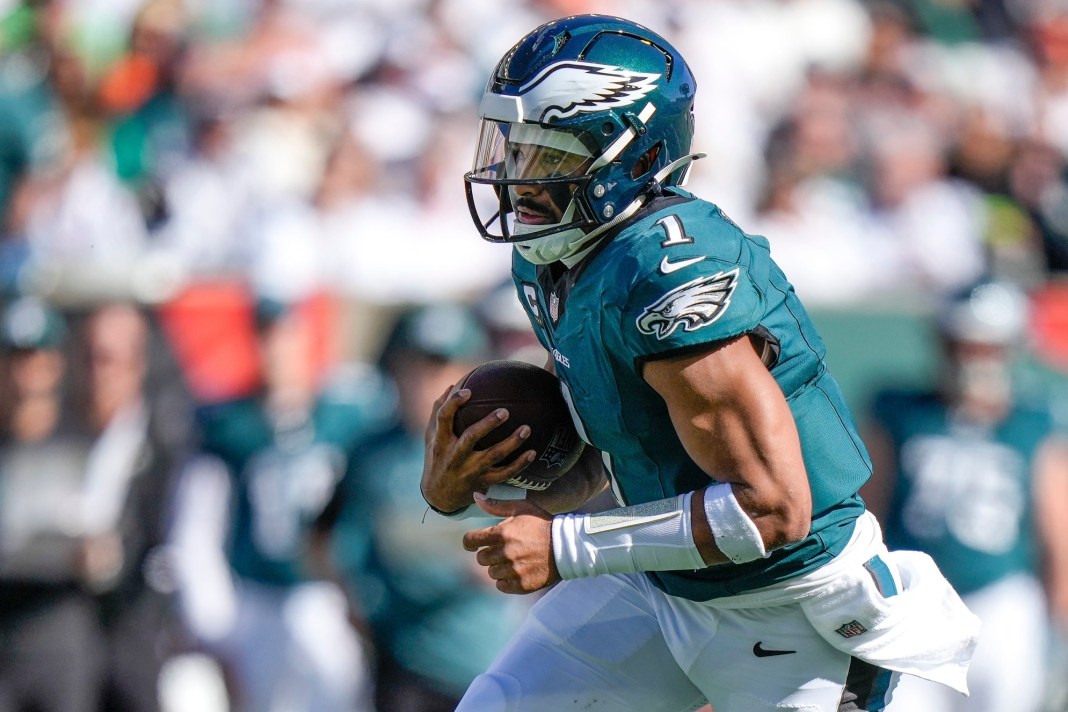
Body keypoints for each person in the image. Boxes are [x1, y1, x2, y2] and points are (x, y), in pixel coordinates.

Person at [419, 14, 981, 712]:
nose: (517, 178)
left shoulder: (668, 273)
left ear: (625, 157)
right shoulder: (557, 260)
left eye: (548, 156)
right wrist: (497, 495)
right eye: (513, 147)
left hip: (795, 610)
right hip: (663, 584)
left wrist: (566, 546)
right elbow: (629, 444)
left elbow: (773, 509)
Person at [862, 279, 1068, 712]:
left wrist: (1058, 624)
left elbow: (1056, 529)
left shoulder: (1032, 420)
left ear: (1009, 349)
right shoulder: (900, 410)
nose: (972, 359)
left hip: (1003, 602)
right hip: (914, 600)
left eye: (986, 347)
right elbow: (867, 514)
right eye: (962, 345)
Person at [325, 302, 531, 712]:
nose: (427, 384)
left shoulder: (500, 455)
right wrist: (353, 601)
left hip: (480, 656)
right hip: (400, 662)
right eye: (416, 368)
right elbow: (329, 538)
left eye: (441, 368)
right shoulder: (370, 453)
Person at [193, 297, 386, 712]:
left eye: (286, 337)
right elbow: (199, 524)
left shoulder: (346, 415)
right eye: (267, 339)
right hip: (258, 596)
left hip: (328, 597)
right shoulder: (231, 426)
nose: (277, 351)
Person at [0, 296, 106, 712]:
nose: (27, 376)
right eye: (15, 360)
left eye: (37, 359)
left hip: (58, 631)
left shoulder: (85, 439)